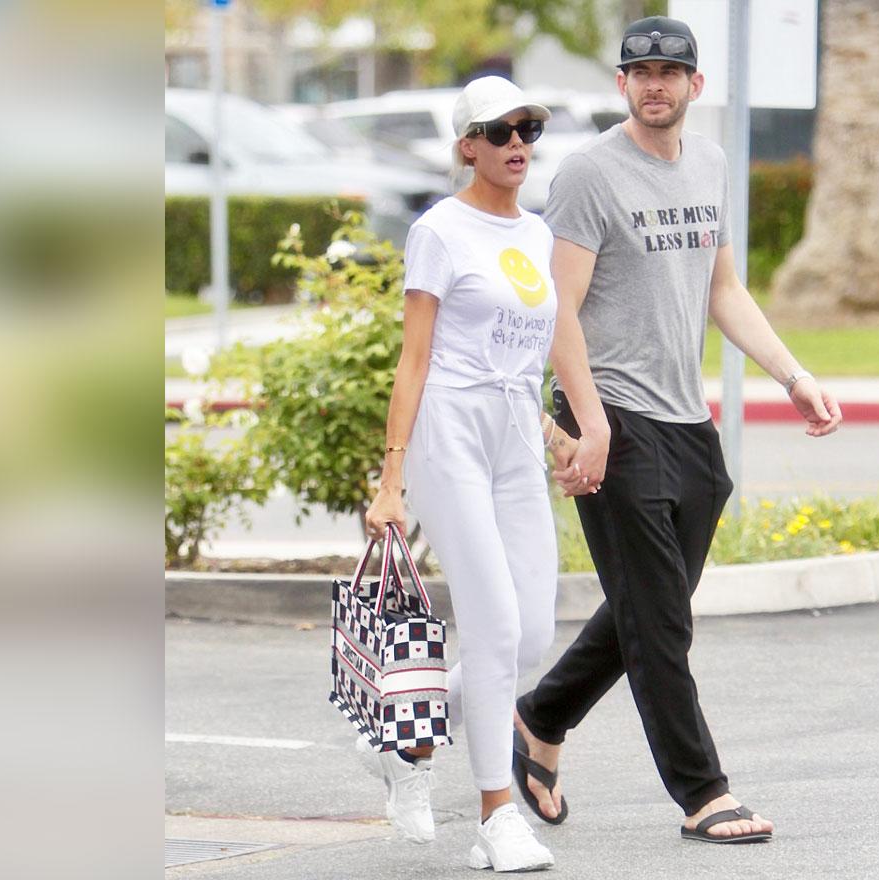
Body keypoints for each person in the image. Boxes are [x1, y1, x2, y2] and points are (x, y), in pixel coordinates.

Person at [509, 16, 843, 845]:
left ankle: (541, 717)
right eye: (640, 72)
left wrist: (792, 376)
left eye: (670, 71)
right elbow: (561, 313)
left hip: (684, 416)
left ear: (696, 86)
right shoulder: (590, 174)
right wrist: (587, 426)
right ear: (622, 85)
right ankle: (704, 792)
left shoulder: (712, 163)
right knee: (660, 621)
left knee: (647, 606)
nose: (655, 84)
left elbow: (723, 289)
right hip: (610, 412)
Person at [359, 75, 606, 872]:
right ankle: (497, 816)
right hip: (447, 438)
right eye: (499, 132)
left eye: (528, 130)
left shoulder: (536, 233)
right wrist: (390, 480)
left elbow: (535, 346)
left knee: (530, 633)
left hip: (512, 437)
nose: (517, 145)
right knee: (495, 625)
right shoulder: (440, 230)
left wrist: (556, 429)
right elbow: (418, 359)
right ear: (467, 144)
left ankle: (406, 741)